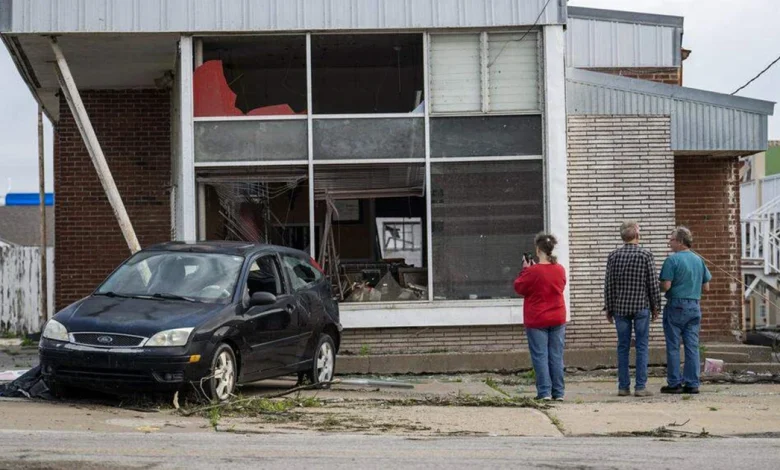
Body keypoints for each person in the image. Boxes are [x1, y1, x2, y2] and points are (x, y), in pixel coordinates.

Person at [603, 222, 661, 398]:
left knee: (623, 347)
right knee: (642, 346)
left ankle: (623, 387)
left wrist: (609, 308)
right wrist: (656, 306)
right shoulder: (645, 255)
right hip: (641, 306)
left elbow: (609, 284)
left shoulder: (613, 256)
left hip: (620, 308)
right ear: (637, 235)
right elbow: (652, 283)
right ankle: (640, 387)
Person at [514, 233, 567, 401]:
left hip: (537, 318)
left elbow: (519, 287)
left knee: (540, 355)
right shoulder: (560, 269)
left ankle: (544, 392)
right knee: (556, 355)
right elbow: (560, 286)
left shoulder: (532, 271)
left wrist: (525, 269)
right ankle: (558, 392)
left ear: (538, 250)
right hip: (557, 316)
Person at [659, 226, 712, 394]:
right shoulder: (698, 260)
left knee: (673, 345)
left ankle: (674, 383)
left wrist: (659, 286)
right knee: (692, 346)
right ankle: (692, 383)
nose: (669, 243)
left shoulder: (672, 260)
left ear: (680, 241)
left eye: (672, 240)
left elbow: (666, 286)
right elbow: (706, 287)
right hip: (694, 305)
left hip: (676, 305)